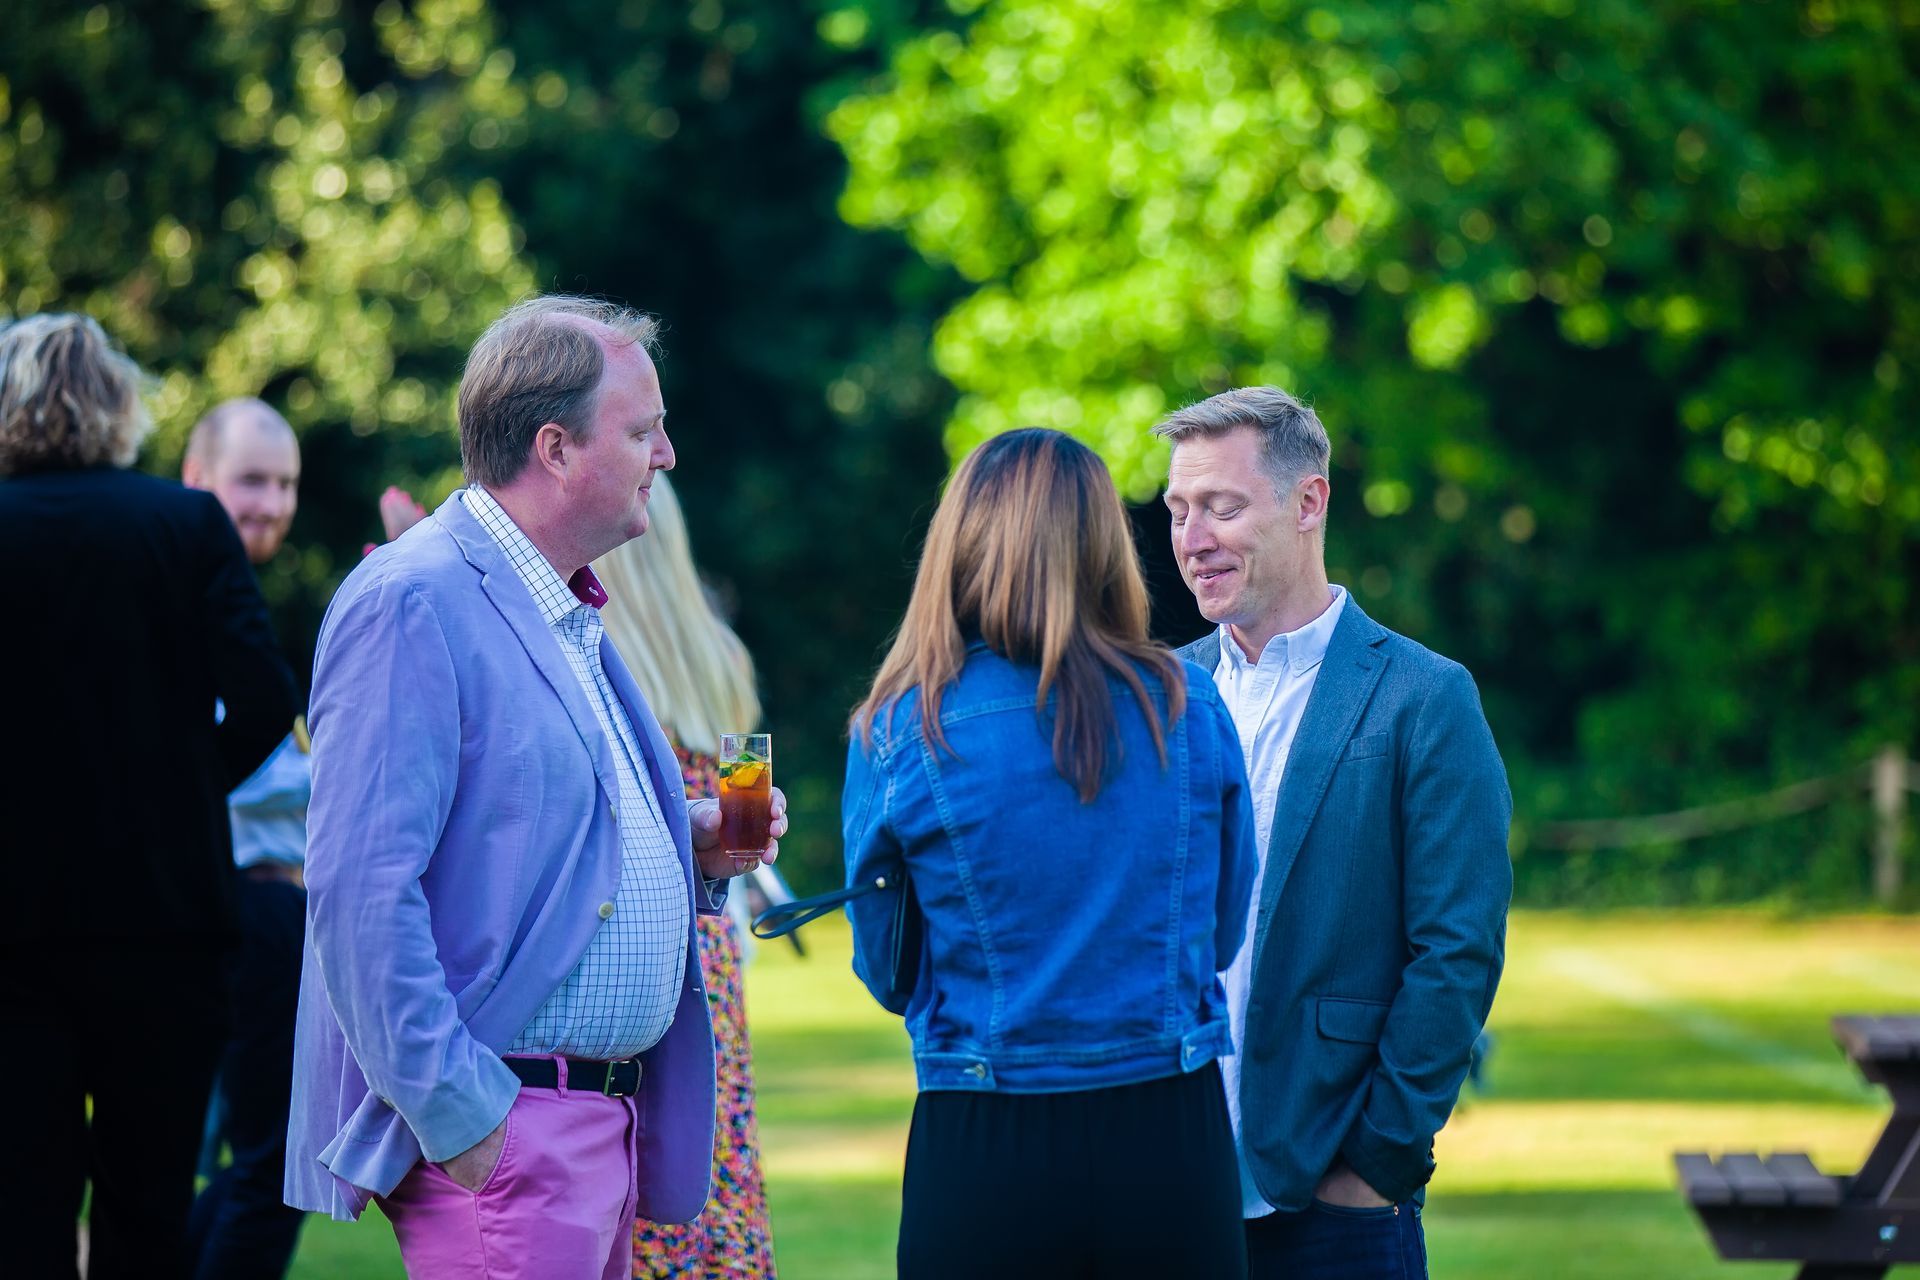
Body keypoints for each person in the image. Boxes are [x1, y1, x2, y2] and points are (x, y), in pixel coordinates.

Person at [283, 295, 787, 1280]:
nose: (668, 454)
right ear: (555, 448)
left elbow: (532, 837)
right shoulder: (411, 597)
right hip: (511, 1133)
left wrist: (691, 842)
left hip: (590, 1125)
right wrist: (466, 1117)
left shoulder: (557, 599)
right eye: (644, 430)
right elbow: (356, 890)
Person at [843, 427, 1257, 1278]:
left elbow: (888, 972)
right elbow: (1220, 934)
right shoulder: (1186, 702)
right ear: (1104, 545)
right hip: (1166, 1127)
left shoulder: (902, 726)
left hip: (985, 1130)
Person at [1156, 386, 1513, 1279]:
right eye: (1178, 510)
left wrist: (1376, 1162)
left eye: (1222, 507)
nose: (1192, 539)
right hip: (1161, 1193)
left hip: (1330, 1200)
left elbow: (1457, 951)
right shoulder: (1151, 697)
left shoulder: (1425, 698)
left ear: (1309, 502)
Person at [0, 313, 297, 1280]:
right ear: (118, 405)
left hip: (14, 930)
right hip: (166, 926)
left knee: (22, 1207)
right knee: (149, 1209)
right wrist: (180, 789)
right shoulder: (184, 524)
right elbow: (263, 696)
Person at [593, 473, 777, 1278]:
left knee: (643, 1167)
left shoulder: (601, 665)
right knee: (714, 1153)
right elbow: (745, 803)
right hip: (716, 959)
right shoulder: (719, 655)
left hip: (639, 957)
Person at [181, 398, 311, 1279]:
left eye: (286, 484)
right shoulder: (183, 601)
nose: (271, 504)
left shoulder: (223, 592)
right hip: (240, 915)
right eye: (251, 481)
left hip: (259, 919)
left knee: (248, 1166)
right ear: (196, 479)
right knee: (274, 1171)